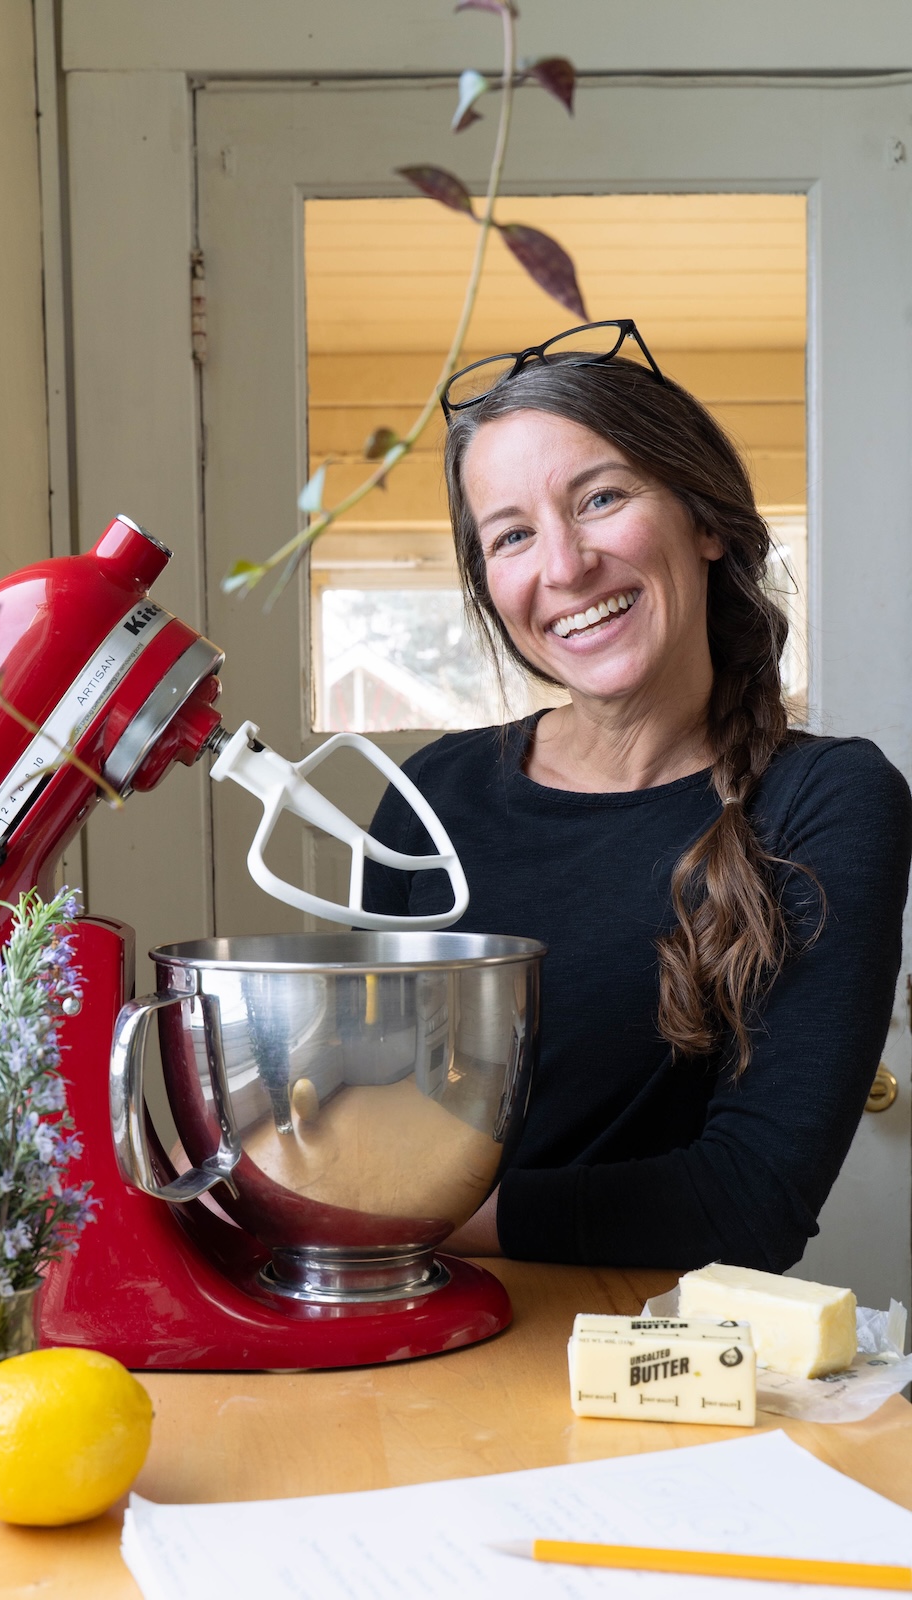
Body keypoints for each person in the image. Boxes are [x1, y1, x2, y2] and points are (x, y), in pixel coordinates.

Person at [362, 319, 912, 1272]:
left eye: (602, 497)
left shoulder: (827, 800)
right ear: (492, 585)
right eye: (513, 535)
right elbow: (372, 1126)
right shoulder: (429, 798)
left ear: (706, 521)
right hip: (415, 1337)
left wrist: (406, 1223)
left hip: (661, 1372)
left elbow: (751, 1201)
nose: (565, 566)